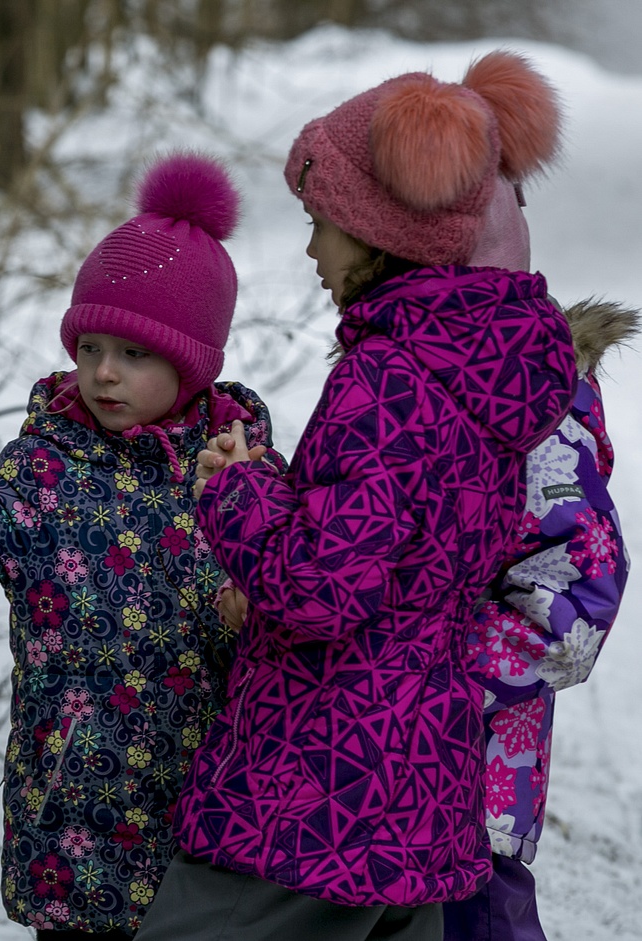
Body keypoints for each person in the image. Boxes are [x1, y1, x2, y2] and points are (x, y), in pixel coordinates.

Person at [134, 51, 577, 941]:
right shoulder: (481, 378)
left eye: (321, 220)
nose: (308, 248)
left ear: (382, 234)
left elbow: (325, 585)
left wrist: (238, 492)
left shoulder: (388, 377)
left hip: (318, 778)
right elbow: (405, 545)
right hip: (422, 775)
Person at [0, 152, 282, 939]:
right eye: (91, 346)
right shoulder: (43, 468)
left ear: (193, 363)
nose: (104, 373)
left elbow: (307, 600)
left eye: (135, 354)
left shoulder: (244, 476)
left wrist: (255, 608)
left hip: (214, 829)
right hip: (74, 832)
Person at [440, 178, 637, 941]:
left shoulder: (537, 410)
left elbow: (576, 599)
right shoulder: (401, 383)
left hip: (470, 781)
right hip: (389, 779)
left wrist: (435, 676)